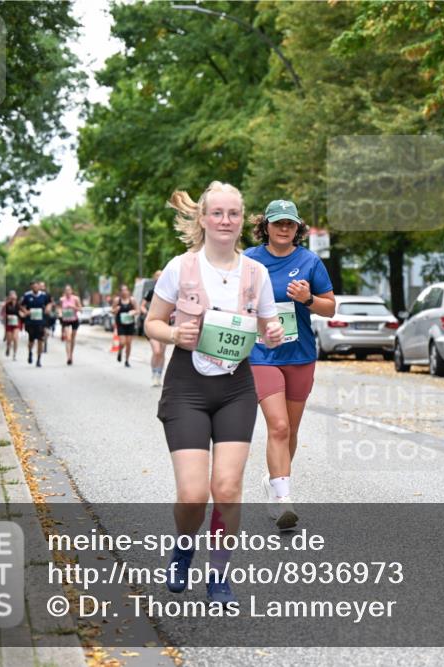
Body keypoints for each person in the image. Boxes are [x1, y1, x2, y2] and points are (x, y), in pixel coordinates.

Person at [144, 182, 283, 605]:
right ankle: (184, 547)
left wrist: (273, 334)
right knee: (192, 494)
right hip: (187, 385)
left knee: (226, 488)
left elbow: (270, 327)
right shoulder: (179, 268)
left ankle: (219, 574)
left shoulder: (256, 274)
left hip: (236, 387)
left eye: (234, 214)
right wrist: (174, 333)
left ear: (243, 221)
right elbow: (152, 322)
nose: (226, 221)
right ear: (202, 218)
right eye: (218, 213)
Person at [245, 200, 335, 530]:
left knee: (292, 430)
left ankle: (273, 481)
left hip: (300, 355)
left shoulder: (309, 261)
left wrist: (308, 300)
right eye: (278, 222)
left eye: (290, 223)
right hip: (262, 354)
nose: (284, 228)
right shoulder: (250, 260)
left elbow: (330, 309)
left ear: (298, 228)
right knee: (279, 426)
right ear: (265, 226)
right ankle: (284, 498)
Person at [141, 270, 168, 386]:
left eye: (162, 275)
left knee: (162, 352)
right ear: (155, 278)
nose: (160, 277)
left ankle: (159, 375)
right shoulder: (151, 292)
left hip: (165, 325)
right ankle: (154, 373)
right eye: (158, 276)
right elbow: (141, 306)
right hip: (152, 325)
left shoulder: (169, 291)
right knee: (156, 351)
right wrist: (147, 312)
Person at [19, 280, 51, 367]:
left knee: (40, 340)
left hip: (41, 321)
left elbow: (49, 303)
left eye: (36, 286)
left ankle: (39, 359)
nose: (35, 288)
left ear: (38, 287)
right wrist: (26, 311)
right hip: (30, 321)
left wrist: (48, 308)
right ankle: (30, 352)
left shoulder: (44, 295)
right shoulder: (27, 295)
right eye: (33, 287)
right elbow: (21, 305)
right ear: (31, 288)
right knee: (31, 340)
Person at [112, 284, 137, 367]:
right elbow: (112, 311)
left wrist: (134, 312)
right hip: (121, 324)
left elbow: (138, 310)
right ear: (120, 292)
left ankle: (127, 360)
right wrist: (116, 310)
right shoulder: (117, 300)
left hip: (130, 324)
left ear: (128, 291)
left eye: (126, 290)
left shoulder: (132, 300)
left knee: (129, 343)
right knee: (122, 342)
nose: (124, 292)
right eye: (122, 290)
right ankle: (120, 351)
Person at [57, 285, 83, 366]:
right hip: (65, 320)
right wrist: (60, 313)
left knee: (73, 338)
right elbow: (59, 308)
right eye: (66, 290)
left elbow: (81, 309)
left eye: (69, 290)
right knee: (68, 338)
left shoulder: (75, 299)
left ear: (71, 291)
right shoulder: (62, 299)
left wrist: (73, 307)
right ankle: (68, 357)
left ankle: (71, 354)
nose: (68, 292)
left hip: (74, 320)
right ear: (64, 292)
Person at [1, 291, 21, 360]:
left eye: (14, 296)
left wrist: (24, 314)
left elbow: (23, 311)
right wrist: (7, 316)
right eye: (11, 296)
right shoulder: (6, 305)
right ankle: (8, 347)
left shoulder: (18, 304)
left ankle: (14, 354)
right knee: (9, 339)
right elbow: (2, 313)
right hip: (9, 324)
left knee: (15, 338)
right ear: (9, 297)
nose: (13, 297)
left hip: (16, 323)